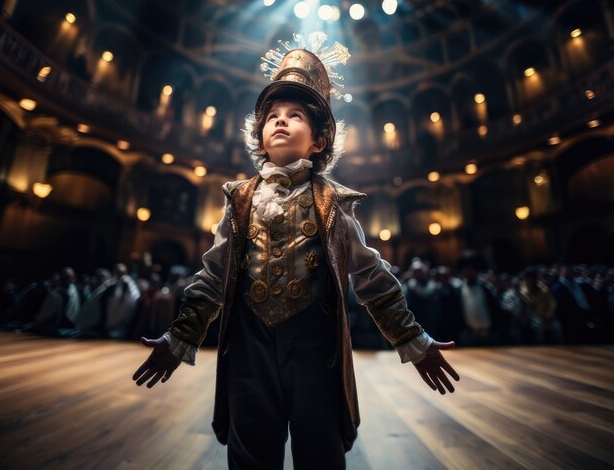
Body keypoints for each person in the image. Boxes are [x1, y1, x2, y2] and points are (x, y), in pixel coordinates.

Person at [132, 34, 459, 470]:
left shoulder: (334, 205)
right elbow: (212, 278)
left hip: (315, 353)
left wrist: (414, 342)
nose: (280, 121)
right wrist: (180, 338)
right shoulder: (239, 201)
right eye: (271, 116)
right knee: (250, 452)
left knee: (319, 453)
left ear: (319, 141)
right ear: (261, 138)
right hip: (249, 350)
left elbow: (372, 279)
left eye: (296, 115)